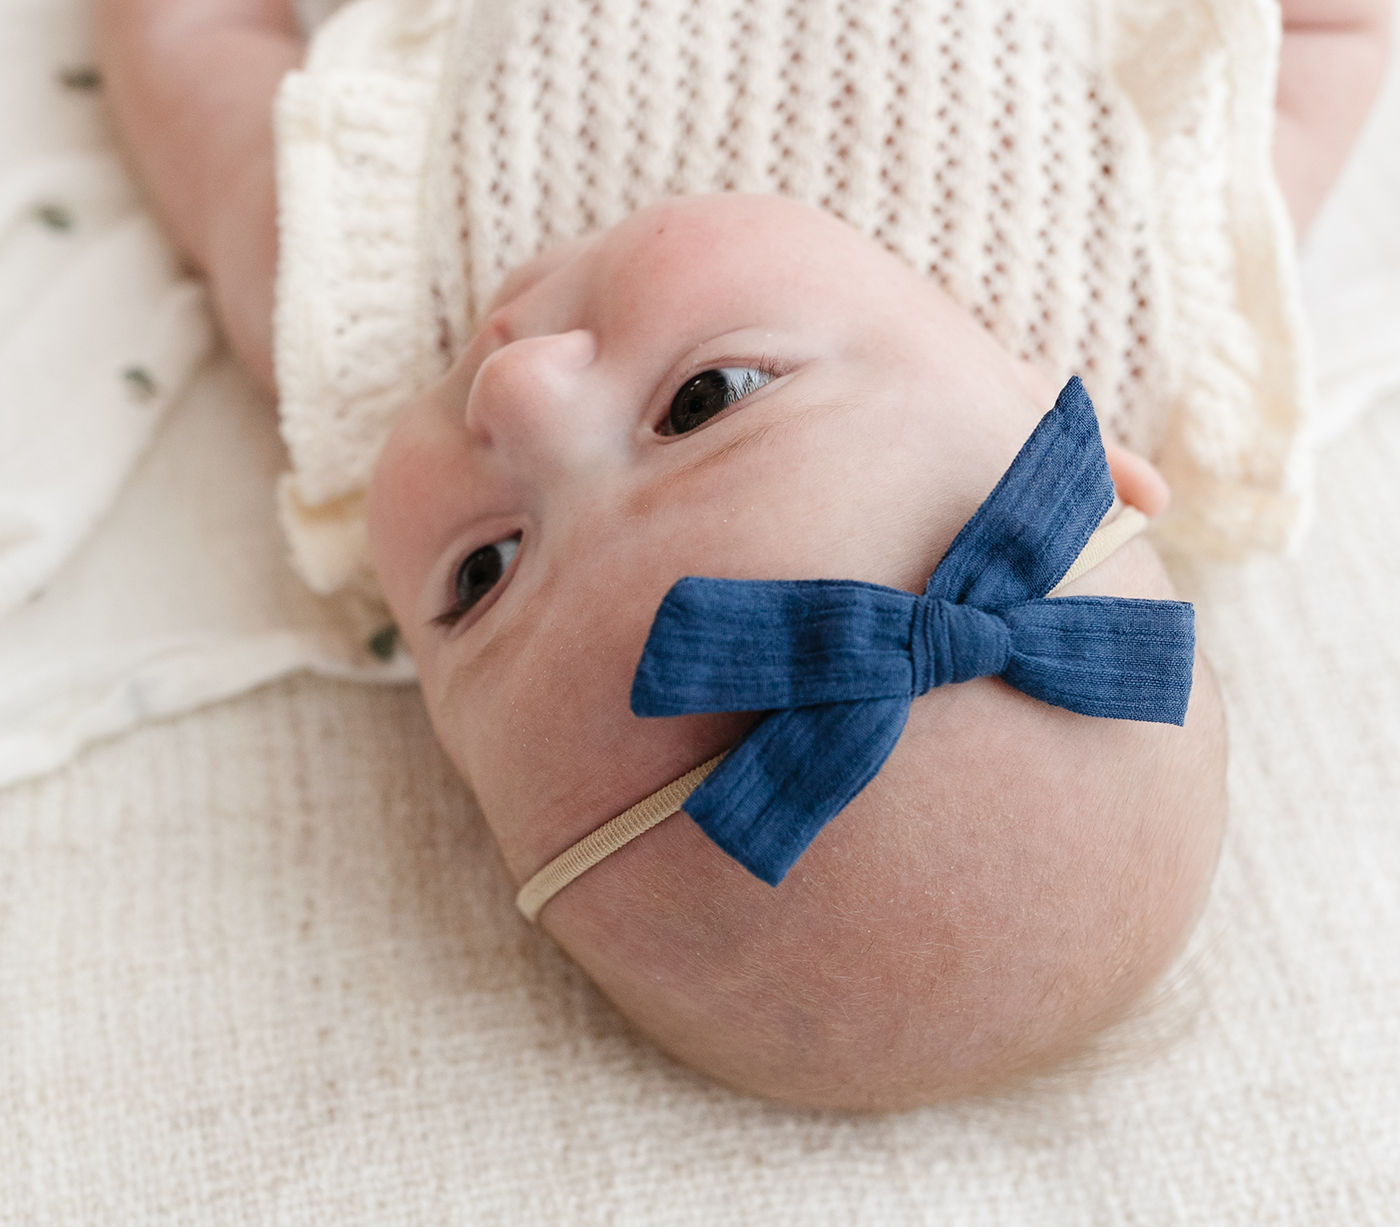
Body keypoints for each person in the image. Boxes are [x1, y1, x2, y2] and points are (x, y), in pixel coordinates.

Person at [93, 0, 1388, 1110]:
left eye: (482, 575)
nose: (515, 391)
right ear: (1095, 448)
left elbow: (191, 36)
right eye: (706, 401)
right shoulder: (1146, 266)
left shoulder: (364, 314)